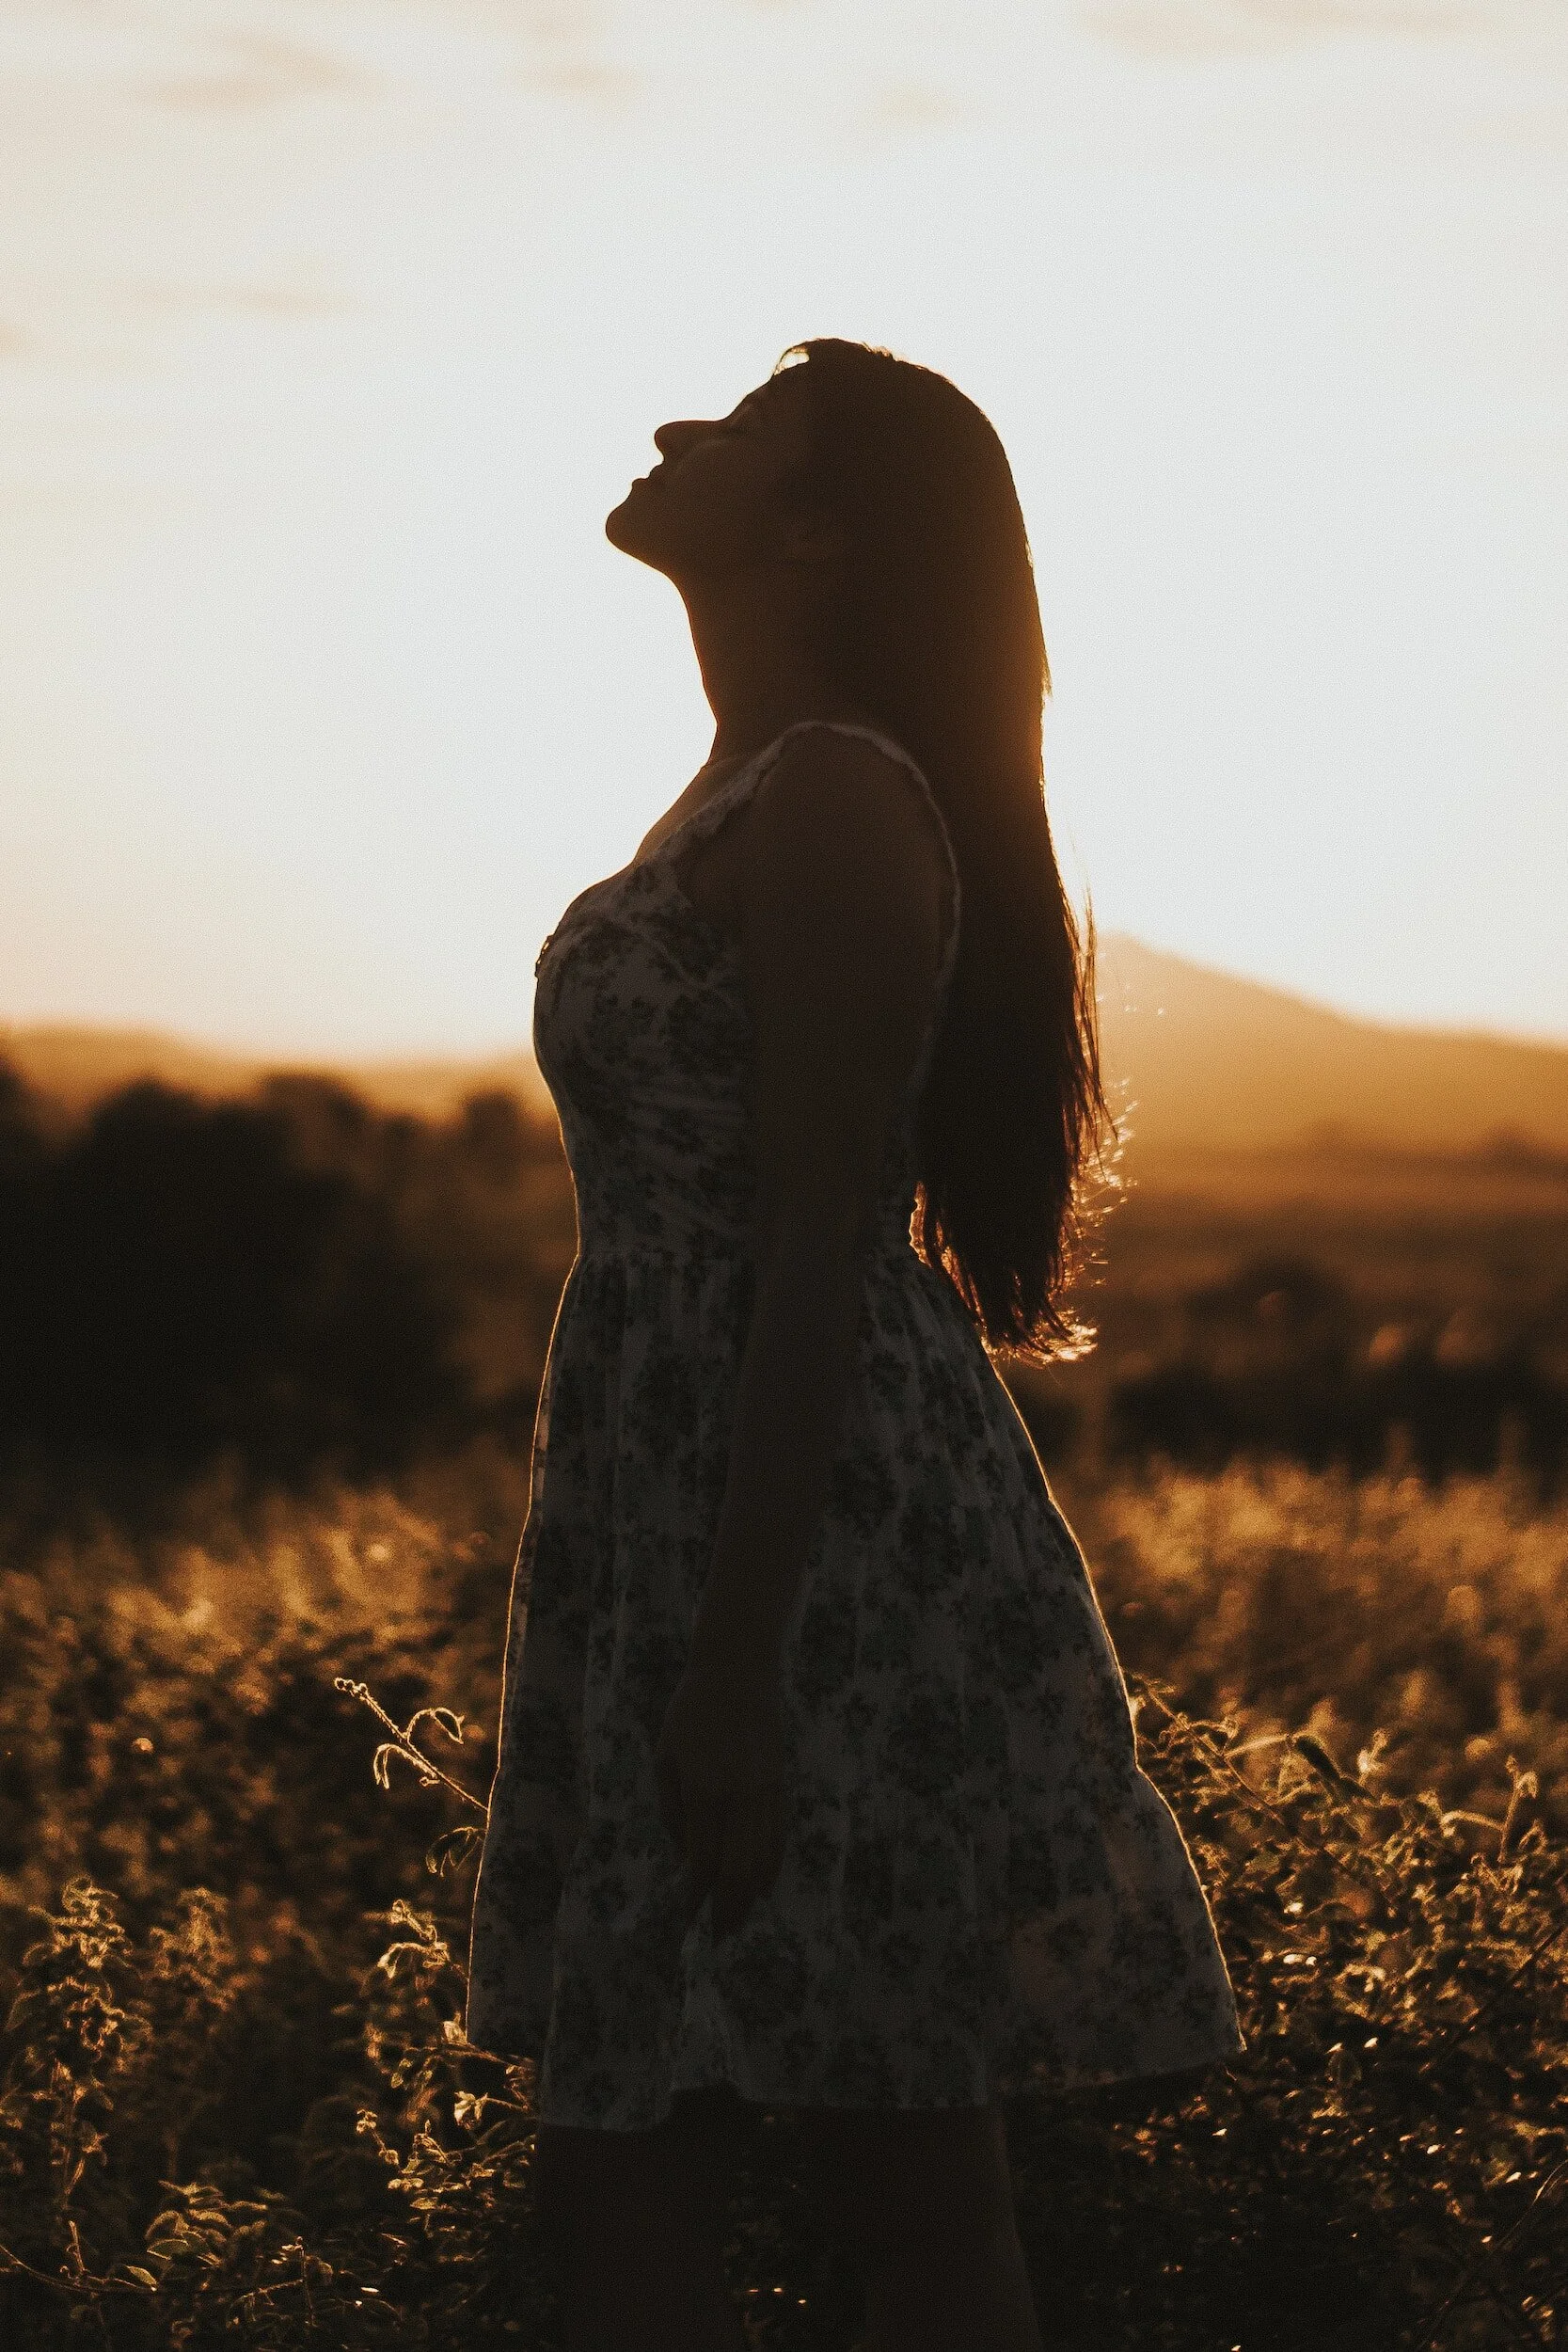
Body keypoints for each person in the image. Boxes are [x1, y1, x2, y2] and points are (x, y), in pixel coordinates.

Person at [464, 339, 1242, 2352]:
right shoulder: (746, 779)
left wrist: (732, 1670)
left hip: (807, 1526)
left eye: (738, 426)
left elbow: (816, 1238)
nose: (669, 429)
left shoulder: (828, 797)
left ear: (816, 537)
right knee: (693, 2127)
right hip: (690, 1485)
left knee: (876, 2146)